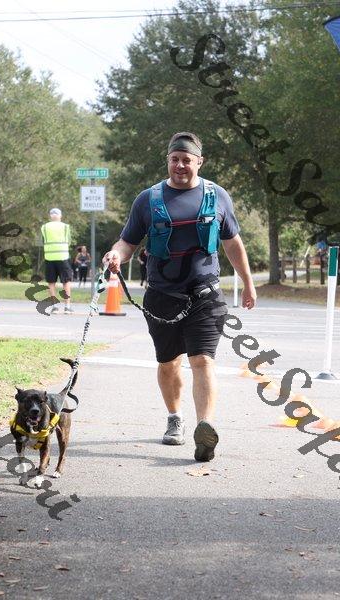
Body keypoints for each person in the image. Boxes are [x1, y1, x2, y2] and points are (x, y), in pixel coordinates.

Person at [103, 131, 256, 462]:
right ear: (168, 161)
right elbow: (128, 242)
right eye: (175, 159)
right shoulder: (148, 199)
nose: (180, 165)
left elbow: (232, 243)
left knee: (202, 360)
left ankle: (204, 427)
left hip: (205, 295)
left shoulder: (217, 196)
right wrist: (116, 255)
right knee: (168, 362)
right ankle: (175, 417)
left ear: (199, 162)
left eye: (187, 160)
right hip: (162, 296)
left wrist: (247, 282)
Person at [41, 208, 74, 314]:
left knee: (51, 282)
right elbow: (69, 241)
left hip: (49, 257)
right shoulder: (65, 227)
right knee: (66, 281)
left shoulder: (44, 227)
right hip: (63, 257)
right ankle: (67, 307)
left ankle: (54, 307)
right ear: (60, 216)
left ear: (50, 216)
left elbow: (43, 241)